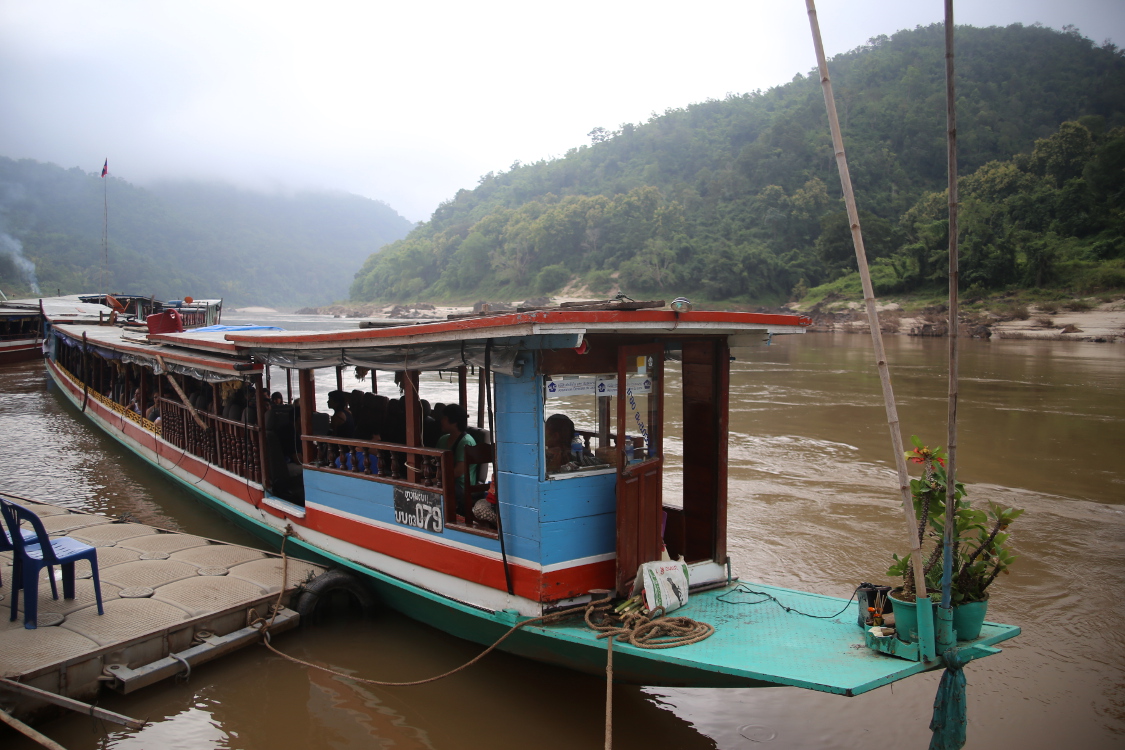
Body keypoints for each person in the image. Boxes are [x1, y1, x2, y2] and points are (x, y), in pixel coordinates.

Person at [436, 403, 477, 513]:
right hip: (445, 480)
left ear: (453, 421)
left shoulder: (466, 441)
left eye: (444, 418)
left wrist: (437, 479)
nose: (441, 421)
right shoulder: (443, 439)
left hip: (461, 485)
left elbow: (459, 471)